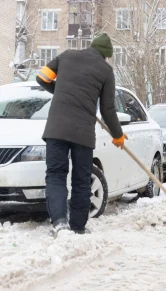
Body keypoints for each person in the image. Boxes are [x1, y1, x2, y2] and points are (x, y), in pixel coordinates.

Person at [36, 33, 127, 236]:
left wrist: (59, 90)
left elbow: (42, 77)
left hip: (56, 129)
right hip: (83, 134)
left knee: (56, 176)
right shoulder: (106, 70)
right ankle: (77, 226)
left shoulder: (66, 56)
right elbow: (108, 110)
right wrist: (118, 135)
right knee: (81, 179)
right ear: (105, 55)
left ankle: (59, 222)